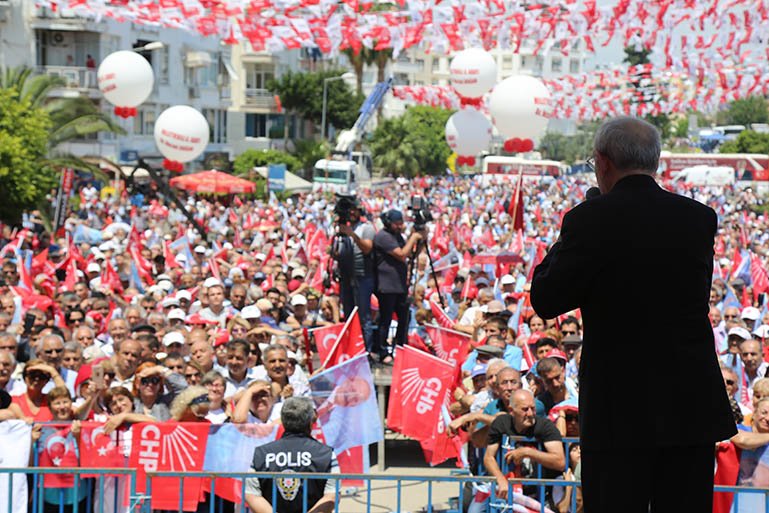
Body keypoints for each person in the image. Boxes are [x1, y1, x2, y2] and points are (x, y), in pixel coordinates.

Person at [530, 116, 735, 512]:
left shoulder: (589, 220)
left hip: (617, 410)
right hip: (688, 403)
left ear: (603, 161)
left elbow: (546, 298)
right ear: (654, 161)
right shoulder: (698, 218)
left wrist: (574, 232)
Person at [245, 397, 339, 513]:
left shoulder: (260, 454)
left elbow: (251, 494)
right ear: (311, 421)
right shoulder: (326, 454)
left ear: (283, 421)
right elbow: (332, 496)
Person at [483, 390, 565, 504]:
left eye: (533, 408)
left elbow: (560, 462)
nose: (531, 413)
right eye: (525, 409)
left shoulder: (545, 426)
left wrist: (527, 452)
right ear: (511, 410)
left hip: (540, 495)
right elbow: (488, 457)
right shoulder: (501, 423)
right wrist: (500, 480)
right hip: (506, 491)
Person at [372, 209, 422, 363]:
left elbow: (410, 254)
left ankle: (401, 347)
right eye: (397, 224)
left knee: (404, 317)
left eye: (401, 224)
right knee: (385, 319)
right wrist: (413, 237)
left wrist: (419, 242)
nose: (400, 227)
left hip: (399, 285)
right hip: (387, 285)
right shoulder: (383, 236)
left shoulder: (396, 236)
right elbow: (401, 254)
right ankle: (382, 351)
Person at [331, 195, 376, 351]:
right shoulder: (342, 228)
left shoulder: (366, 228)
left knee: (364, 317)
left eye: (353, 210)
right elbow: (336, 253)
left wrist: (351, 234)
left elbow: (367, 248)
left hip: (362, 276)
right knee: (349, 316)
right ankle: (350, 349)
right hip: (345, 276)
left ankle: (366, 351)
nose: (350, 213)